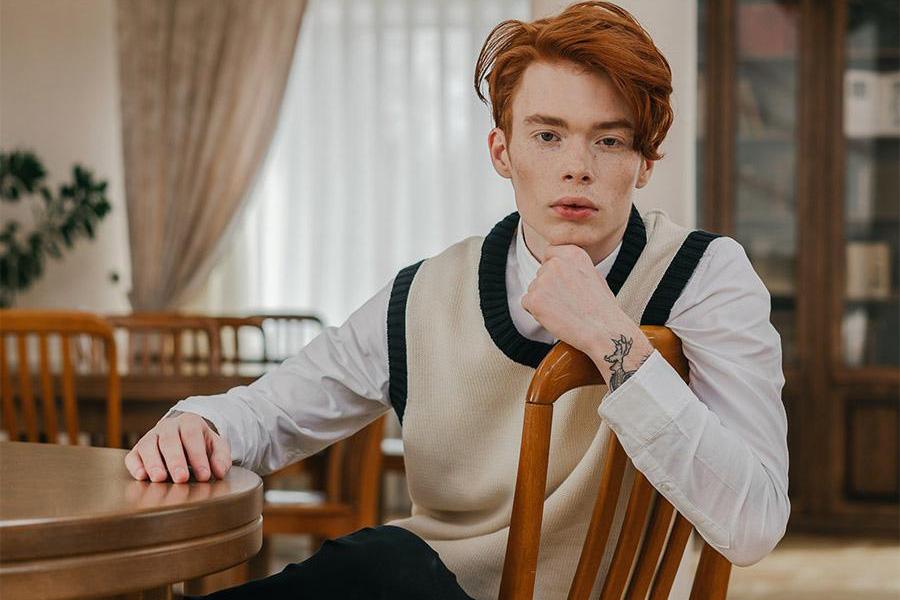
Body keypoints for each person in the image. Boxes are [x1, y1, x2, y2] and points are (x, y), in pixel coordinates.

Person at [125, 2, 790, 598]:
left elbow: (755, 522)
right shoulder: (424, 295)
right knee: (385, 562)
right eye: (547, 134)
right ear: (502, 151)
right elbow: (274, 412)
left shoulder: (706, 277)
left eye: (610, 139)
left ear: (646, 161)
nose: (577, 166)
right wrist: (201, 424)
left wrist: (611, 339)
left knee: (381, 561)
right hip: (424, 588)